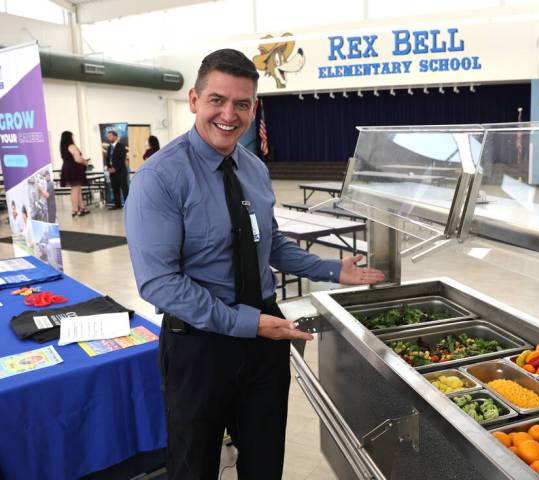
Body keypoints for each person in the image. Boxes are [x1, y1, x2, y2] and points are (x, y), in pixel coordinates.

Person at [124, 49, 384, 480]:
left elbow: (269, 242)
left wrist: (332, 270)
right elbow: (160, 283)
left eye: (241, 104)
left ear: (254, 108)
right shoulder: (160, 177)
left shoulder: (253, 168)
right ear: (194, 100)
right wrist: (249, 322)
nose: (229, 114)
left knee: (264, 461)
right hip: (199, 345)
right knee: (194, 466)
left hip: (265, 339)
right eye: (217, 101)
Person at [59, 131, 90, 217]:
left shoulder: (63, 147)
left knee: (78, 189)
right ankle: (75, 210)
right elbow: (77, 159)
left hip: (67, 168)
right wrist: (85, 162)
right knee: (75, 189)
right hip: (74, 169)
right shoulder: (71, 146)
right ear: (69, 137)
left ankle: (82, 208)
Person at [105, 129, 128, 210]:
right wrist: (108, 167)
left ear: (115, 137)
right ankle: (117, 205)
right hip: (112, 171)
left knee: (124, 188)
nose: (108, 138)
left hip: (120, 171)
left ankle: (128, 205)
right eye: (108, 136)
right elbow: (107, 158)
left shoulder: (121, 146)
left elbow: (122, 159)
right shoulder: (109, 147)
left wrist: (115, 168)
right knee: (115, 188)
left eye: (110, 136)